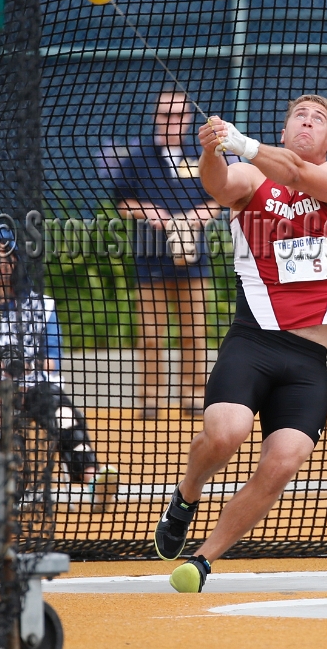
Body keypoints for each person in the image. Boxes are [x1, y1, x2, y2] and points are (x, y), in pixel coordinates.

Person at [154, 95, 327, 592]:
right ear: (286, 124)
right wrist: (212, 150)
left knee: (283, 459)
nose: (307, 121)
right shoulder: (254, 178)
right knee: (226, 434)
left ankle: (203, 561)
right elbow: (220, 184)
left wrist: (242, 143)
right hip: (253, 341)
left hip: (307, 358)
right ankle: (188, 493)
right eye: (300, 114)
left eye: (318, 120)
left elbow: (297, 173)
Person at [0, 226, 118, 512]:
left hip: (29, 385)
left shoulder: (40, 306)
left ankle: (93, 479)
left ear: (16, 260)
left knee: (64, 414)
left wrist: (22, 370)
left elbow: (52, 360)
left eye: (6, 255)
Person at [115, 89, 220, 419]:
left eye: (177, 115)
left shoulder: (204, 156)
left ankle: (193, 394)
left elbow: (220, 198)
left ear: (189, 118)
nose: (170, 121)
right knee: (149, 336)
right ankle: (150, 399)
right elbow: (122, 204)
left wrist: (198, 216)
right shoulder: (138, 158)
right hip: (150, 260)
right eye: (164, 115)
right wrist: (147, 210)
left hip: (193, 259)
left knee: (194, 333)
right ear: (154, 117)